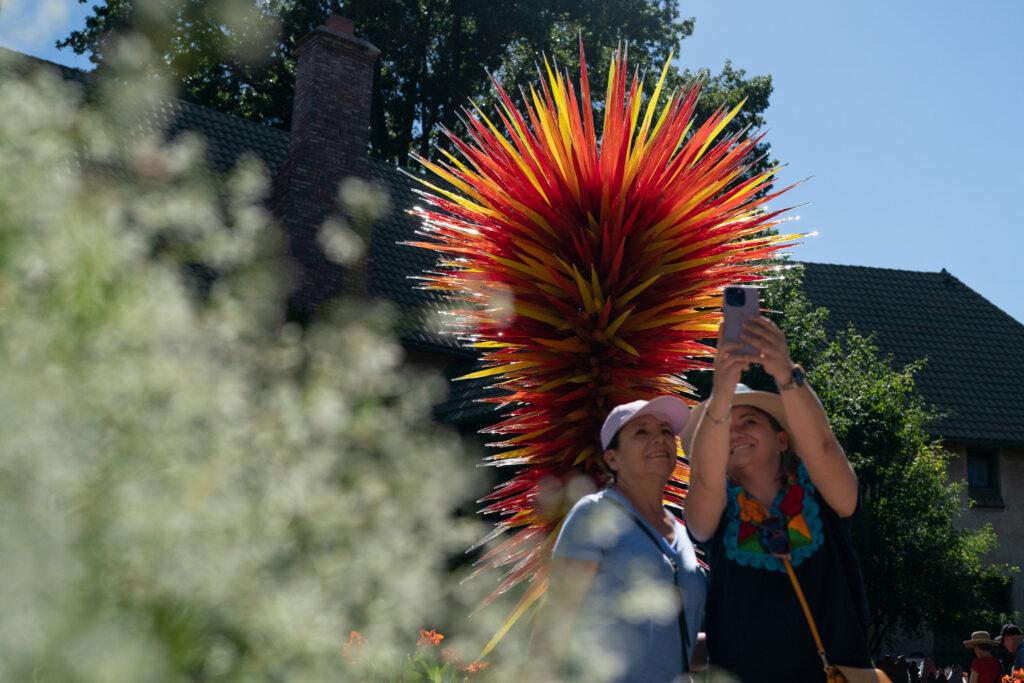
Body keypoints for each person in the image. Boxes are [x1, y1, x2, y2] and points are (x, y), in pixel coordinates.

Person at [682, 316, 872, 682]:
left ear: (782, 440)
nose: (735, 431)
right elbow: (704, 479)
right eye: (725, 425)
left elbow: (822, 445)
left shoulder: (822, 493)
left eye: (750, 421)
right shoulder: (715, 512)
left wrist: (786, 373)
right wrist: (721, 393)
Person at [537, 396, 707, 682]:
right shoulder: (593, 514)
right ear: (612, 458)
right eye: (642, 432)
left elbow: (674, 642)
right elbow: (553, 625)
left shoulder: (680, 530)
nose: (659, 439)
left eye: (666, 431)